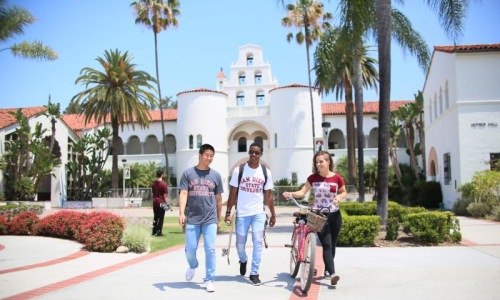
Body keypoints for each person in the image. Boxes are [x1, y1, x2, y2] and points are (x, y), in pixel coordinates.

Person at [282, 150, 347, 286]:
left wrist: (339, 197)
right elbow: (302, 192)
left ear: (328, 162)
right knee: (327, 245)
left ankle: (328, 270)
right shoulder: (313, 178)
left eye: (321, 161)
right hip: (319, 215)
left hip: (335, 215)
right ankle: (333, 274)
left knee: (332, 244)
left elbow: (344, 191)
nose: (318, 164)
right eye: (316, 162)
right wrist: (291, 193)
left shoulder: (337, 178)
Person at [224, 142, 276, 286]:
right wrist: (228, 212)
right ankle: (243, 259)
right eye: (251, 152)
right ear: (249, 153)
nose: (253, 155)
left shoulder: (266, 172)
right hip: (242, 213)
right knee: (240, 244)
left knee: (257, 243)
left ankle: (254, 273)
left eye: (257, 153)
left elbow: (269, 196)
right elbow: (233, 193)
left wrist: (273, 214)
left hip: (259, 213)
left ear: (261, 155)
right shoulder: (238, 170)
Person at [179, 144, 224, 293]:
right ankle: (193, 265)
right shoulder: (188, 174)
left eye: (212, 155)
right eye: (207, 155)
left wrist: (219, 219)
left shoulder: (216, 175)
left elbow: (218, 199)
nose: (209, 158)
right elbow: (184, 194)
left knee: (210, 249)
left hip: (210, 218)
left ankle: (209, 279)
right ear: (199, 155)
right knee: (191, 249)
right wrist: (181, 213)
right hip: (193, 218)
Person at [152, 169, 168, 237]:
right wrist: (167, 203)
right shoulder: (164, 184)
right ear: (162, 175)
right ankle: (159, 232)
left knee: (155, 217)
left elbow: (153, 193)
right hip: (161, 202)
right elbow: (164, 195)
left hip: (155, 202)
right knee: (161, 218)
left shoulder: (153, 184)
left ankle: (154, 231)